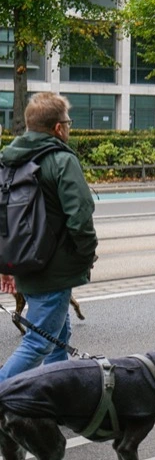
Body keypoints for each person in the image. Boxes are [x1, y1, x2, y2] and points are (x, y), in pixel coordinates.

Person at [0, 93, 97, 382]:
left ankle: (56, 394)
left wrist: (7, 265)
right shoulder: (60, 160)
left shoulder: (8, 160)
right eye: (68, 122)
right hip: (55, 267)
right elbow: (80, 215)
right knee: (38, 342)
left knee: (58, 334)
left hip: (24, 262)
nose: (69, 127)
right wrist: (85, 255)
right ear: (58, 128)